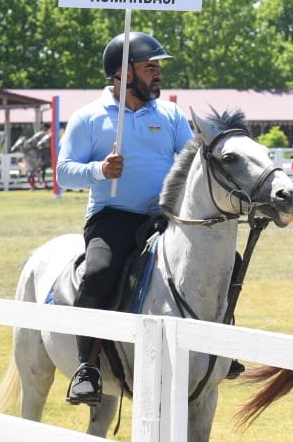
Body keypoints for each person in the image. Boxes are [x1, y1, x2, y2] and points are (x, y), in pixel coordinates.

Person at [56, 31, 193, 405]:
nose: (157, 74)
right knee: (99, 272)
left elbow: (190, 163)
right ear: (123, 73)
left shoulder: (171, 115)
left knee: (221, 261)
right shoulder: (88, 118)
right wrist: (100, 169)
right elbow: (64, 173)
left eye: (157, 68)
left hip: (164, 217)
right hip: (113, 217)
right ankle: (87, 366)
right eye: (150, 67)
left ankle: (216, 350)